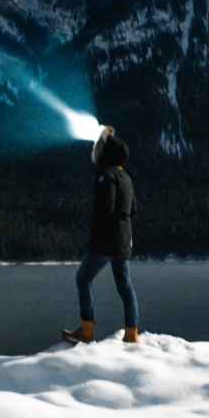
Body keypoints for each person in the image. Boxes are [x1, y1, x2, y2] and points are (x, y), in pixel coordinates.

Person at [62, 129, 139, 346]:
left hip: (106, 240)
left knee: (83, 278)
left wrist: (96, 229)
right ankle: (131, 333)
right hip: (124, 240)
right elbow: (133, 210)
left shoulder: (107, 175)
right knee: (125, 286)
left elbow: (106, 207)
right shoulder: (126, 178)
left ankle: (86, 330)